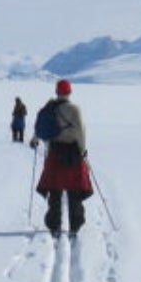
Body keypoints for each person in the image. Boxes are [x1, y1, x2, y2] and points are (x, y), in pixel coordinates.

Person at [31, 78, 93, 238]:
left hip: (54, 153)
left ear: (57, 91)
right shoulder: (74, 109)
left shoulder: (49, 108)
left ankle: (54, 225)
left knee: (55, 190)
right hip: (72, 153)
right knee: (74, 191)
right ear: (69, 92)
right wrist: (83, 150)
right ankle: (75, 224)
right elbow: (80, 132)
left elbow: (40, 129)